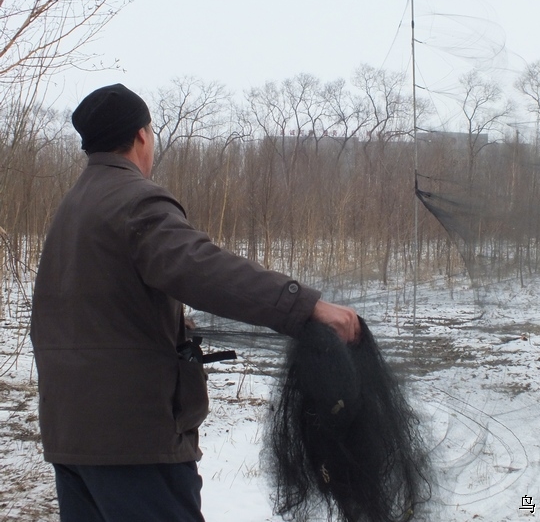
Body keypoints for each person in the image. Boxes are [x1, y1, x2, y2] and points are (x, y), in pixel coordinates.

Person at [29, 83, 360, 522]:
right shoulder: (135, 201)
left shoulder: (72, 206)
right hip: (135, 445)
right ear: (142, 136)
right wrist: (305, 306)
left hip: (71, 438)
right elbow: (206, 270)